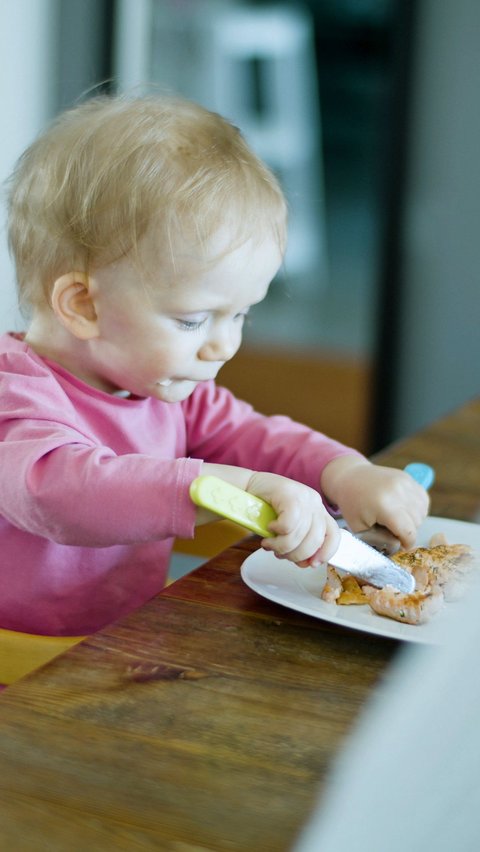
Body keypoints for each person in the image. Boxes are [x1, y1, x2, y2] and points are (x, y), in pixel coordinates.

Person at [0, 93, 428, 638]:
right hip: (19, 676)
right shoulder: (15, 396)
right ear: (83, 305)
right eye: (194, 319)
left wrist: (345, 473)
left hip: (116, 646)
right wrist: (220, 487)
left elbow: (255, 437)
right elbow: (61, 493)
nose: (224, 346)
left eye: (240, 315)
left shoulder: (161, 387)